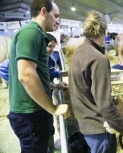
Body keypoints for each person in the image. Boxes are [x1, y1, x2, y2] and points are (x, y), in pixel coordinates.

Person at [68, 10, 123, 153]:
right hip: (99, 127)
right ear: (104, 31)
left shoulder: (78, 52)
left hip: (85, 120)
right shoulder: (98, 59)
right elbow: (105, 104)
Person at [7, 0, 69, 152]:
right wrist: (53, 108)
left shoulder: (38, 35)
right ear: (43, 11)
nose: (57, 20)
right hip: (30, 113)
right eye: (55, 15)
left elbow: (37, 75)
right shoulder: (31, 33)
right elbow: (26, 75)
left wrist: (54, 85)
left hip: (35, 110)